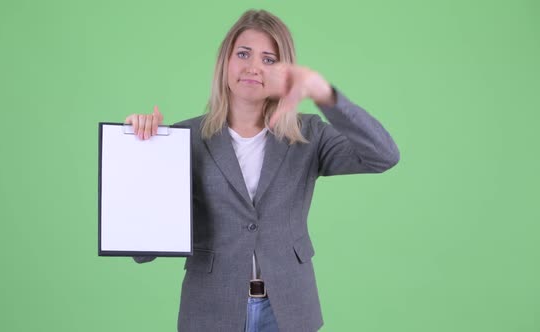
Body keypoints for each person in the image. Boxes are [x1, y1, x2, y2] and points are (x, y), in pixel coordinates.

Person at [126, 9, 399, 332]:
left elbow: (383, 155)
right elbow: (141, 251)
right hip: (211, 310)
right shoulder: (186, 140)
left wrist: (323, 93)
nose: (254, 67)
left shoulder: (309, 134)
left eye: (269, 59)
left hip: (288, 310)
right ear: (225, 62)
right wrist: (143, 154)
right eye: (243, 54)